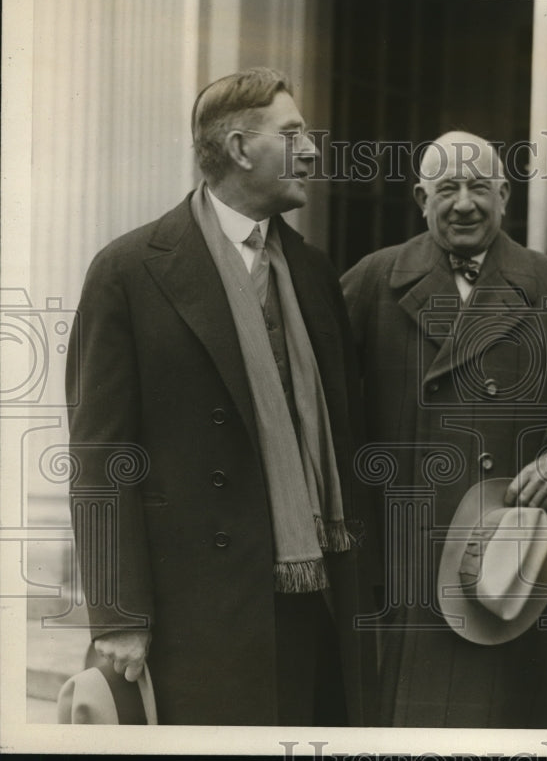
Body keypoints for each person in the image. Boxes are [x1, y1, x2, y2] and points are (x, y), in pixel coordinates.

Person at [66, 67, 377, 726]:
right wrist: (119, 614)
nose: (314, 151)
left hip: (315, 599)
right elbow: (102, 456)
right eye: (292, 134)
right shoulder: (129, 271)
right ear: (239, 148)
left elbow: (346, 442)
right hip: (197, 613)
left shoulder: (316, 273)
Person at [340, 131, 547, 728]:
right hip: (404, 556)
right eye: (447, 188)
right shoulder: (373, 282)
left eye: (479, 186)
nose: (464, 202)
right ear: (420, 197)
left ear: (505, 195)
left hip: (510, 560)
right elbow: (322, 404)